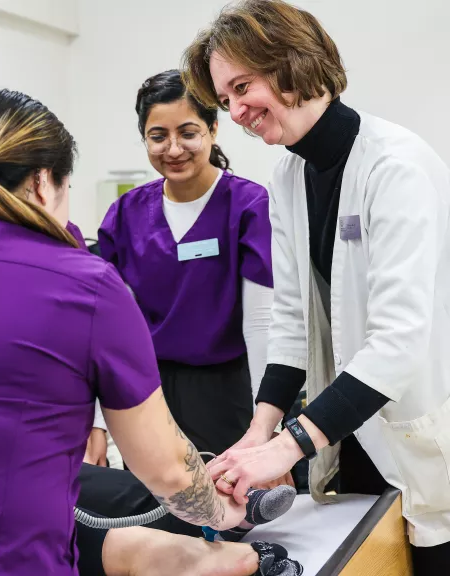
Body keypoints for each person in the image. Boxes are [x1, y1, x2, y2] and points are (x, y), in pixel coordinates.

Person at [0, 89, 302, 576]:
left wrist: (259, 428)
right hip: (13, 557)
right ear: (43, 181)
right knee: (146, 519)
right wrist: (227, 514)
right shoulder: (83, 282)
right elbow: (168, 471)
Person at [181, 0, 450, 573]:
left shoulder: (393, 167)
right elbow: (292, 322)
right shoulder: (289, 174)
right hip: (354, 438)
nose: (235, 112)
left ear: (291, 62)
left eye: (242, 87)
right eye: (224, 100)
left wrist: (287, 446)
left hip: (420, 435)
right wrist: (259, 433)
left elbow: (398, 342)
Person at [95, 69, 276, 460]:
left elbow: (260, 324)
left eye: (188, 133)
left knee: (235, 511)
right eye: (158, 137)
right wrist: (98, 420)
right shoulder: (126, 214)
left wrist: (267, 426)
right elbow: (106, 327)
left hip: (228, 393)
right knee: (153, 509)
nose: (173, 149)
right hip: (147, 394)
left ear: (213, 129)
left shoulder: (248, 206)